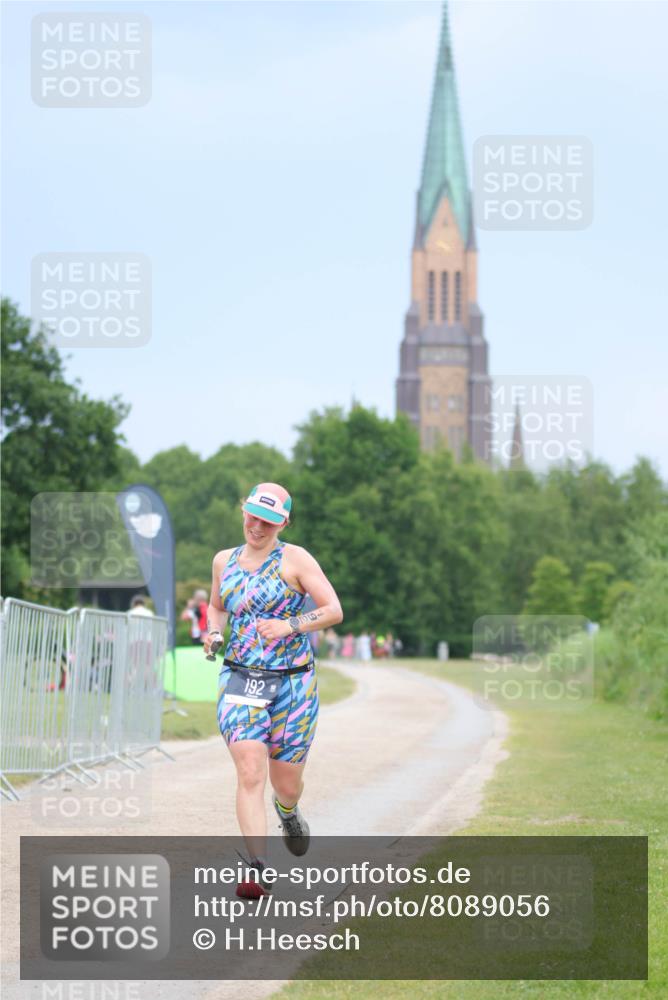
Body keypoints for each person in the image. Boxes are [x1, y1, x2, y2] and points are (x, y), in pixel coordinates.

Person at [203, 482, 343, 898]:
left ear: (282, 522)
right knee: (249, 770)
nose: (257, 527)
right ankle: (256, 868)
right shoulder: (223, 561)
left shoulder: (295, 559)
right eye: (251, 516)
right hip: (242, 678)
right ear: (242, 512)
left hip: (293, 682)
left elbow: (333, 609)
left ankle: (287, 810)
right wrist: (213, 632)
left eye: (267, 521)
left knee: (286, 783)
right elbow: (216, 606)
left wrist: (290, 625)